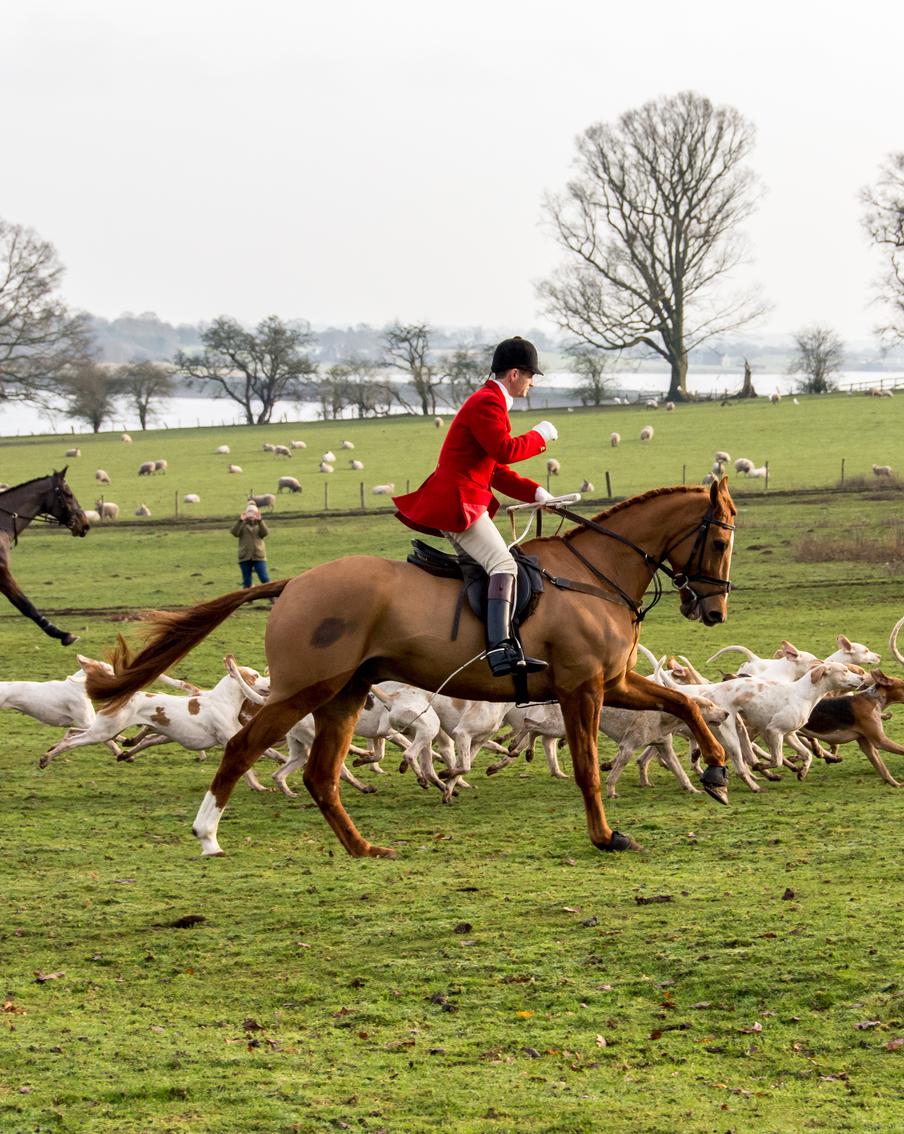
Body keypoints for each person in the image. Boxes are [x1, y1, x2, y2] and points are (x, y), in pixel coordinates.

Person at [393, 335, 558, 678]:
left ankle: (470, 643)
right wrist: (540, 435)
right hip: (459, 502)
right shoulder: (487, 403)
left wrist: (539, 493)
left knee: (486, 567)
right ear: (514, 374)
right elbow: (505, 450)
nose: (532, 382)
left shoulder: (491, 402)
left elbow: (494, 470)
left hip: (463, 498)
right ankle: (501, 651)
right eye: (530, 375)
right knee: (504, 565)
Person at [231, 502, 271, 588]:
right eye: (249, 512)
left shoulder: (260, 525)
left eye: (253, 512)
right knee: (247, 582)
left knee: (264, 578)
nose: (251, 514)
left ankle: (272, 596)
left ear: (257, 513)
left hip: (259, 556)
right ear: (246, 513)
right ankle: (249, 599)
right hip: (245, 556)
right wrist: (240, 521)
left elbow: (265, 533)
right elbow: (234, 533)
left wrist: (260, 521)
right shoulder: (242, 525)